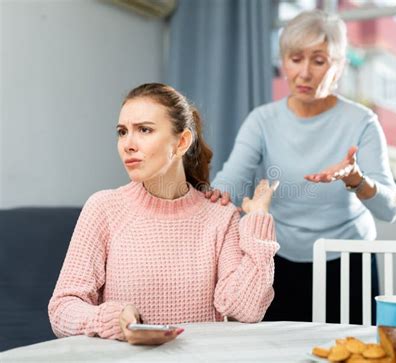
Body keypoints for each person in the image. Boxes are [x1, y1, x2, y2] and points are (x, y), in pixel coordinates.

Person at [48, 83, 279, 346]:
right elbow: (62, 309)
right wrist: (111, 319)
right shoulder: (103, 208)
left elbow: (246, 309)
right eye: (122, 132)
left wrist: (258, 220)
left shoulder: (220, 216)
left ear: (181, 142)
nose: (128, 144)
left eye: (144, 130)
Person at [209, 10, 396, 323]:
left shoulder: (362, 122)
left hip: (348, 259)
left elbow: (389, 208)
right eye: (296, 59)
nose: (305, 73)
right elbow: (231, 179)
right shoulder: (263, 120)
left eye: (319, 60)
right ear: (284, 62)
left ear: (338, 67)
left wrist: (356, 180)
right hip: (278, 259)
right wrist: (207, 197)